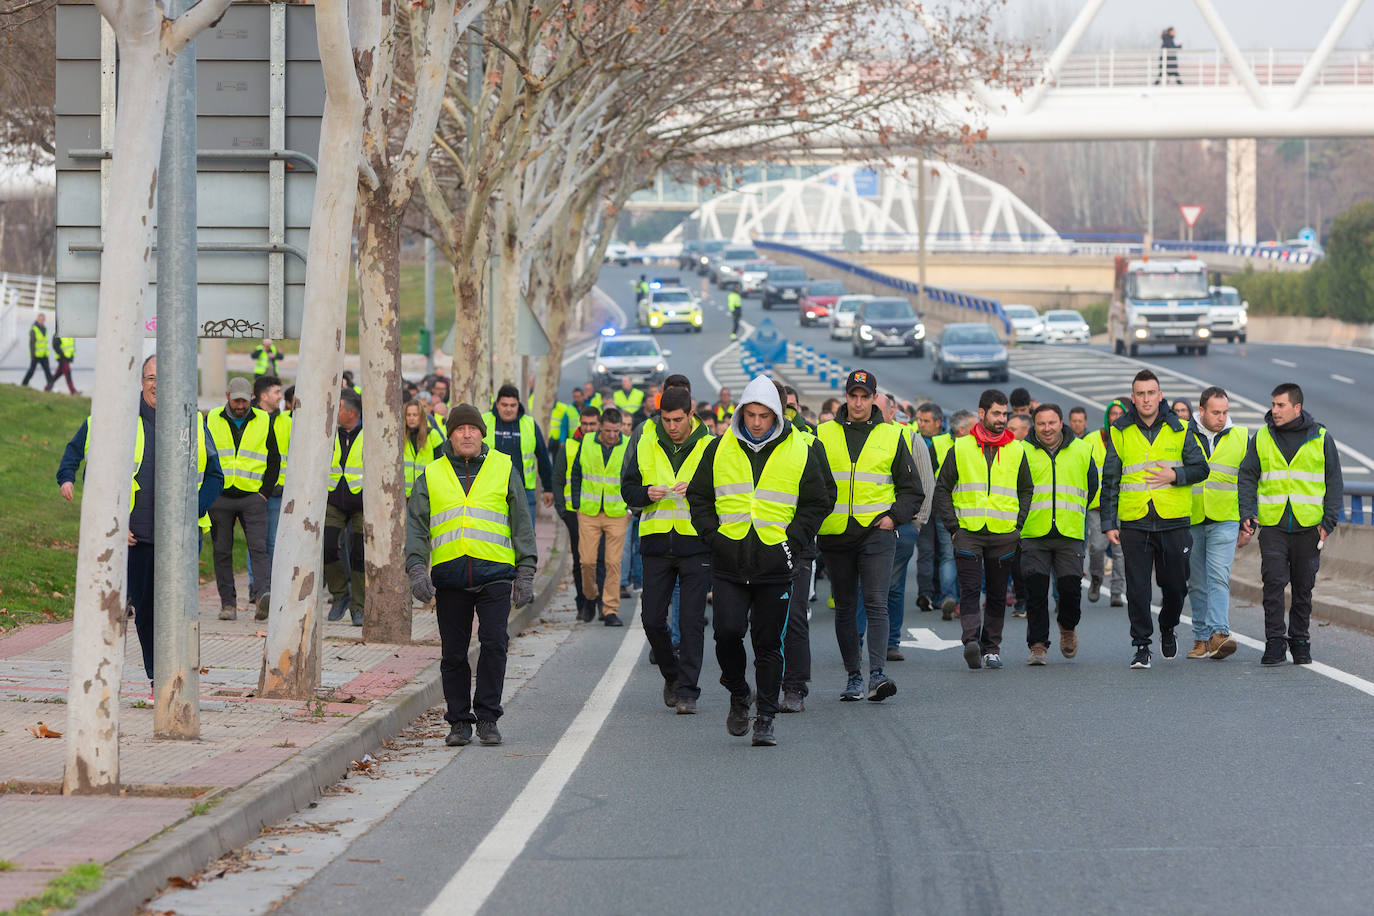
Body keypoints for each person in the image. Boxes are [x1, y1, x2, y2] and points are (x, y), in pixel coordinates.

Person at [56, 355, 223, 687]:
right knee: (146, 613)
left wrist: (192, 515)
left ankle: (180, 674)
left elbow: (215, 477)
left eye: (164, 379)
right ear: (142, 382)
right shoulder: (120, 419)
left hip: (181, 538)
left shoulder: (194, 421)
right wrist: (115, 520)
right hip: (139, 538)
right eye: (150, 378)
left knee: (178, 612)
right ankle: (156, 678)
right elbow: (96, 471)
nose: (157, 386)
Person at [686, 376, 834, 746]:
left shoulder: (802, 449)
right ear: (740, 413)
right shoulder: (718, 449)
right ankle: (738, 693)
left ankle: (765, 717)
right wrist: (713, 538)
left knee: (769, 644)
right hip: (729, 563)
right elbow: (699, 498)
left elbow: (819, 500)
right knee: (726, 634)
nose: (755, 422)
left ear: (777, 416)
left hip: (776, 564)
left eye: (763, 415)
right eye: (750, 414)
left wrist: (793, 541)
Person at [406, 404, 537, 748]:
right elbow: (417, 525)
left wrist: (526, 571)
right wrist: (417, 567)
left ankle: (488, 717)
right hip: (450, 579)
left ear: (482, 433)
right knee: (453, 654)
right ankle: (460, 721)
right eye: (459, 429)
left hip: (494, 574)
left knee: (495, 645)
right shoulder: (431, 473)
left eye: (472, 428)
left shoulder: (503, 467)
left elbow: (522, 522)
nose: (467, 434)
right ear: (449, 435)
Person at [816, 370, 921, 700]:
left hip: (876, 532)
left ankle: (877, 675)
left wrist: (893, 517)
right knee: (846, 607)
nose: (858, 402)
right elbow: (808, 482)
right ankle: (853, 677)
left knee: (876, 602)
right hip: (835, 533)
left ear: (874, 398)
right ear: (845, 397)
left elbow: (911, 490)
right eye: (853, 396)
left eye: (865, 396)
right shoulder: (822, 434)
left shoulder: (892, 436)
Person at [1101, 370, 1209, 669]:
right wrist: (1109, 522)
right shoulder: (1120, 431)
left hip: (1173, 519)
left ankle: (1167, 625)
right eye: (1140, 394)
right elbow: (1110, 479)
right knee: (1137, 588)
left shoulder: (1182, 428)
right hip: (1135, 520)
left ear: (1160, 395)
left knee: (1175, 586)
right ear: (1133, 398)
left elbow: (1201, 468)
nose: (1146, 399)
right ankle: (1141, 645)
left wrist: (1176, 475)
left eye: (1151, 393)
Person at [622, 386, 714, 714]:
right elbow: (628, 490)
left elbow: (725, 492)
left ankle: (688, 691)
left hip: (695, 543)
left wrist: (699, 489)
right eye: (666, 419)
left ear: (690, 415)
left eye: (678, 419)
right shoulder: (646, 441)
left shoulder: (710, 446)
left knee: (691, 622)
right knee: (651, 620)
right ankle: (672, 675)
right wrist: (646, 493)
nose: (672, 426)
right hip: (656, 542)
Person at [1238, 383, 1343, 666]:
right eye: (1273, 404)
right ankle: (1274, 642)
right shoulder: (1261, 437)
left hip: (1309, 526)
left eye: (1281, 405)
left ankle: (1300, 642)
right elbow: (1247, 475)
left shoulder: (1320, 438)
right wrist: (1247, 510)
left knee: (1303, 587)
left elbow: (1334, 482)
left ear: (1297, 407)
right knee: (1273, 582)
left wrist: (1327, 523)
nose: (1275, 410)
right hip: (1272, 525)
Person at [933, 389, 1032, 670]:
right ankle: (971, 642)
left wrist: (1018, 523)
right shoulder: (961, 447)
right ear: (982, 413)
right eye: (997, 413)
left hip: (1004, 533)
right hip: (969, 532)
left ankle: (992, 648)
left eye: (1005, 414)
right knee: (971, 589)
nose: (1002, 419)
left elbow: (1026, 489)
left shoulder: (1016, 450)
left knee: (998, 594)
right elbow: (942, 489)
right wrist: (953, 527)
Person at [1021, 404, 1097, 665]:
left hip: (1069, 532)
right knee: (1036, 590)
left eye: (1052, 423)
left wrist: (1074, 513)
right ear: (1034, 425)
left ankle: (1067, 628)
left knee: (1069, 590)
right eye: (1041, 423)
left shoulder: (1083, 450)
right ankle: (1038, 645)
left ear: (1061, 422)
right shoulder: (1022, 450)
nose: (1047, 428)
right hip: (1033, 532)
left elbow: (1092, 485)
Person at [206, 376, 280, 621]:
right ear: (227, 397)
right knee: (222, 551)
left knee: (259, 549)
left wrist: (264, 493)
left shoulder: (263, 420)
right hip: (220, 497)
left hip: (252, 497)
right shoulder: (212, 419)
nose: (240, 406)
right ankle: (228, 604)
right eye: (235, 401)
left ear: (251, 398)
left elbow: (274, 460)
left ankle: (262, 598)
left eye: (244, 401)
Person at [1185, 386, 1245, 660]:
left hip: (1225, 517)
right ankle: (1201, 637)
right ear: (1201, 411)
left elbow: (1249, 479)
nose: (1221, 417)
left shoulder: (1241, 437)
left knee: (1218, 575)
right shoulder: (1184, 434)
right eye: (1215, 412)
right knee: (1197, 582)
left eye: (1224, 412)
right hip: (1191, 517)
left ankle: (1220, 632)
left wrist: (1248, 517)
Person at [878, 393, 935, 663]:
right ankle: (858, 640)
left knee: (894, 585)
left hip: (901, 525)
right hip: (860, 525)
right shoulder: (851, 437)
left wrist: (918, 522)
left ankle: (890, 642)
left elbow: (925, 481)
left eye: (879, 409)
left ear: (892, 413)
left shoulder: (910, 439)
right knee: (860, 586)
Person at [572, 407, 631, 626]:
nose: (612, 435)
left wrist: (630, 509)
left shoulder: (627, 446)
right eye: (607, 430)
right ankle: (590, 597)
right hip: (589, 511)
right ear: (600, 427)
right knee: (586, 562)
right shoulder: (587, 442)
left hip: (617, 513)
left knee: (613, 563)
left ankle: (610, 610)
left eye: (616, 431)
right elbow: (576, 473)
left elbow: (636, 476)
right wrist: (577, 504)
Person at [554, 405, 603, 621]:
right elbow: (557, 479)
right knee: (581, 561)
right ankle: (583, 603)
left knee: (600, 560)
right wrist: (562, 510)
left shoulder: (606, 446)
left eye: (593, 424)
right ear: (580, 424)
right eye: (585, 424)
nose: (589, 428)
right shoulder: (569, 446)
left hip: (601, 512)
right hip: (574, 514)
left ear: (599, 424)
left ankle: (601, 603)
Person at [482, 384, 555, 525]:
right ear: (497, 404)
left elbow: (543, 457)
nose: (508, 409)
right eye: (504, 405)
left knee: (526, 539)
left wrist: (548, 488)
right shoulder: (484, 422)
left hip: (524, 492)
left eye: (513, 405)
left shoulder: (530, 424)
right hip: (491, 490)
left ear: (518, 405)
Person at [326, 389, 367, 626]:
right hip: (334, 501)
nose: (335, 412)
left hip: (362, 503)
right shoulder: (329, 432)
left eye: (338, 408)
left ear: (351, 412)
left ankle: (358, 606)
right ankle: (340, 595)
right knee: (329, 546)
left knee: (359, 553)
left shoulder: (369, 434)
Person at [915, 402, 958, 618]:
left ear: (938, 422)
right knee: (932, 553)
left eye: (925, 421)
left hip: (938, 505)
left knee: (940, 553)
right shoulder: (915, 439)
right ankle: (929, 594)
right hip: (927, 506)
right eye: (919, 420)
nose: (920, 425)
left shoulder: (939, 443)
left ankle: (938, 594)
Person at [1086, 399, 1128, 607]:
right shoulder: (1092, 439)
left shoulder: (1130, 437)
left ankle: (1116, 592)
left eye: (1121, 414)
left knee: (1120, 552)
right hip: (1098, 505)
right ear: (1107, 417)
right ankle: (1096, 578)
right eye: (1113, 414)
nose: (1116, 417)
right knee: (1097, 547)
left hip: (1123, 504)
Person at [247, 374, 285, 597]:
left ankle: (268, 587)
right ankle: (256, 586)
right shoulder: (252, 420)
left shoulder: (287, 421)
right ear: (263, 396)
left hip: (278, 491)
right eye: (276, 392)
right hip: (254, 492)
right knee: (255, 542)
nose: (280, 396)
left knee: (271, 542)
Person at [404, 399, 445, 499]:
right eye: (408, 415)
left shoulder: (433, 435)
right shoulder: (400, 437)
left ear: (421, 416)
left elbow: (441, 465)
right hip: (404, 496)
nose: (411, 418)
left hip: (427, 494)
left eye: (415, 415)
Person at [548, 386, 585, 458]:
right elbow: (564, 427)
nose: (576, 399)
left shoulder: (589, 407)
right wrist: (562, 441)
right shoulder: (569, 410)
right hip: (573, 442)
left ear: (583, 396)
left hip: (587, 440)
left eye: (578, 396)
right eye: (574, 397)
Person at [21, 312, 52, 390]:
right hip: (36, 355)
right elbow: (31, 343)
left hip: (44, 355)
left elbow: (44, 343)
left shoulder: (44, 329)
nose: (42, 321)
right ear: (37, 319)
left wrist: (46, 354)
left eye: (43, 320)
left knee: (47, 371)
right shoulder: (34, 329)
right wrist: (32, 355)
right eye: (40, 319)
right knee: (31, 371)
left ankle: (50, 385)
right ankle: (24, 384)